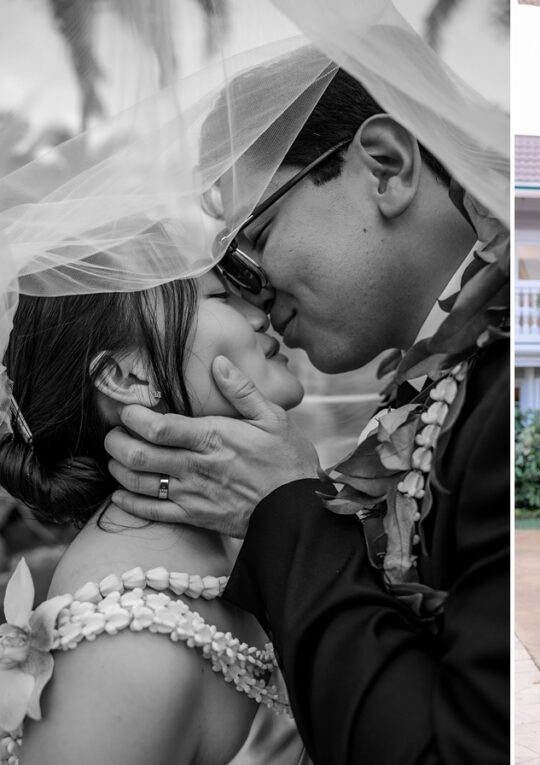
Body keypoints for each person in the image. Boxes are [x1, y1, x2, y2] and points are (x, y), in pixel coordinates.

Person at [103, 59, 510, 764]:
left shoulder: (506, 396)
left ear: (385, 167)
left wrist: (287, 507)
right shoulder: (434, 394)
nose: (251, 296)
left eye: (249, 244)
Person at [2, 269, 310, 764]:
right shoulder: (122, 652)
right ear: (127, 378)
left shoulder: (229, 549)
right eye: (218, 296)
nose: (260, 312)